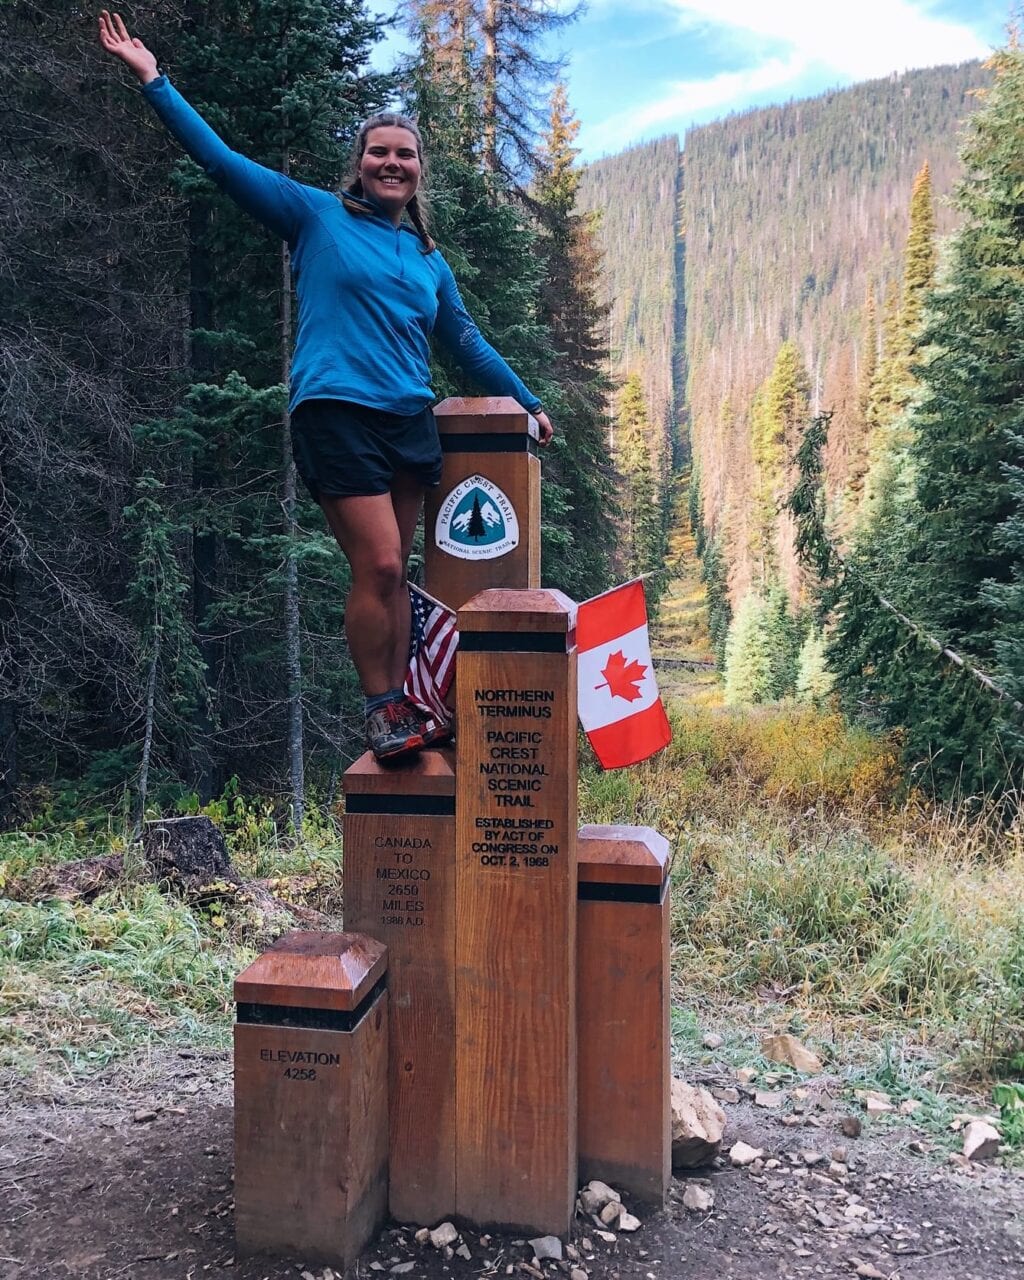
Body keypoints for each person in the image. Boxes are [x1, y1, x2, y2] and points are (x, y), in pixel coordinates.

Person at [98, 10, 553, 762]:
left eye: (404, 155)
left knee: (397, 573)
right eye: (379, 152)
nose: (392, 163)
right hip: (334, 412)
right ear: (360, 161)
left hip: (407, 418)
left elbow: (465, 342)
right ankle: (383, 708)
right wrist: (155, 81)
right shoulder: (314, 214)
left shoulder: (428, 260)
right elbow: (221, 163)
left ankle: (410, 705)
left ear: (418, 171)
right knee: (375, 563)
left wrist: (528, 402)